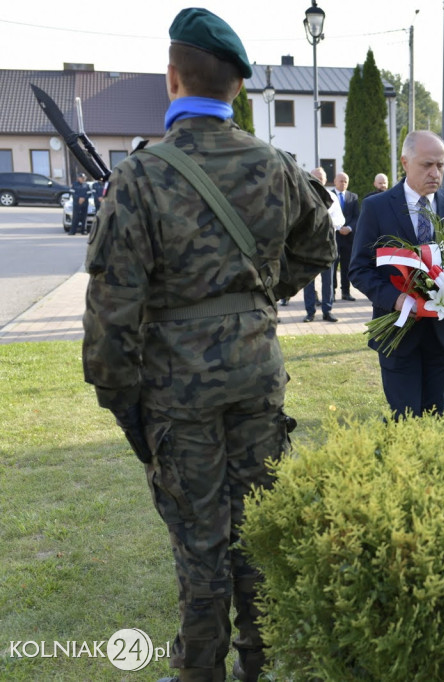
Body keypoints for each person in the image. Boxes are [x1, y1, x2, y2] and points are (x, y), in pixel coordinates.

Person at [81, 9, 336, 681]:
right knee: (257, 530)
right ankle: (262, 664)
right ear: (238, 89)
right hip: (256, 377)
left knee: (200, 543)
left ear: (174, 79)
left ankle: (200, 673)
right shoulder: (278, 165)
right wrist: (256, 301)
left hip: (178, 391)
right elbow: (320, 246)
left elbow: (111, 315)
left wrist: (120, 400)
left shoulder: (139, 177)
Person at [349, 130, 444, 418]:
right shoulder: (376, 207)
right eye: (427, 165)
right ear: (405, 162)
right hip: (397, 333)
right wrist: (395, 300)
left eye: (440, 165)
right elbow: (359, 268)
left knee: (438, 418)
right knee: (404, 420)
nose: (435, 172)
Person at [302, 168, 341, 322]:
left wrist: (326, 224)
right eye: (315, 177)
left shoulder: (332, 197)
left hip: (327, 244)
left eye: (321, 177)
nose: (319, 179)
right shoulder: (304, 194)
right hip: (309, 245)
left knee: (328, 280)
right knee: (308, 280)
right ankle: (310, 312)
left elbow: (340, 220)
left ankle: (327, 310)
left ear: (325, 180)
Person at [331, 171, 359, 301]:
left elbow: (356, 217)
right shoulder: (329, 195)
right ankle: (331, 292)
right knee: (333, 265)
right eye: (341, 180)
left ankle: (346, 292)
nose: (343, 183)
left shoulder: (353, 197)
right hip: (334, 236)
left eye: (345, 181)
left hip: (348, 237)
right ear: (335, 181)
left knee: (346, 266)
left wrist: (349, 228)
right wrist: (338, 227)